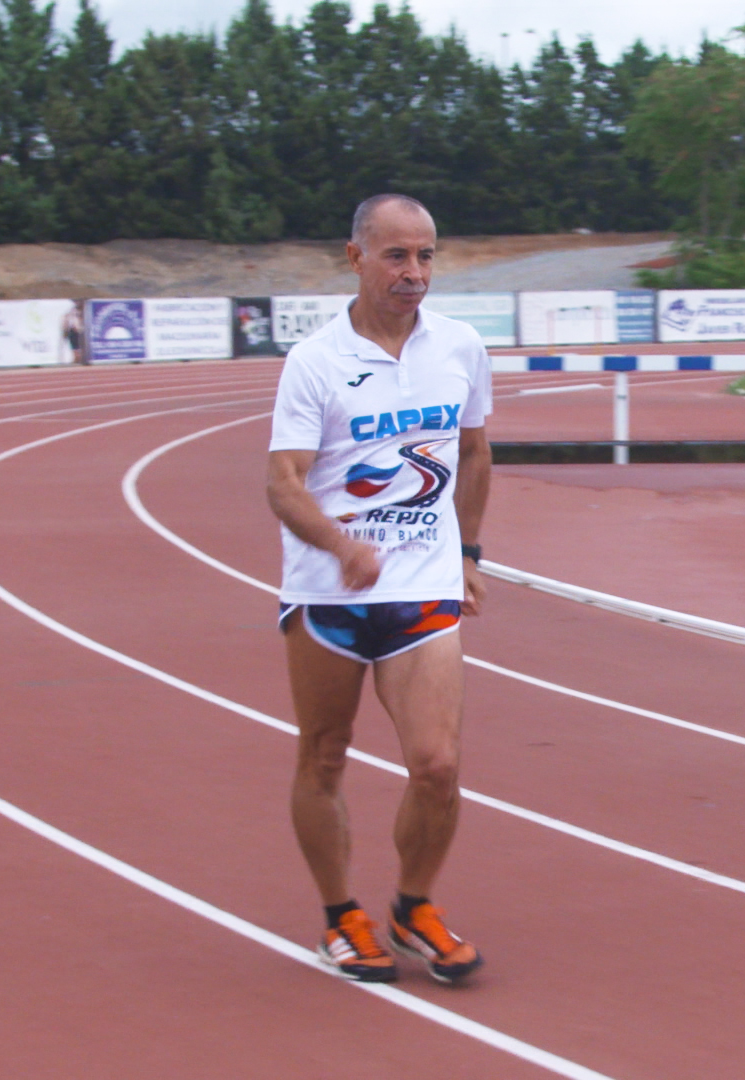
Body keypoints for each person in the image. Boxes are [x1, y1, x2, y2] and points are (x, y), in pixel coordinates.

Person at [265, 193, 493, 984]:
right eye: (397, 256)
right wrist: (340, 544)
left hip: (424, 588)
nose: (415, 273)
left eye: (427, 255)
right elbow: (284, 483)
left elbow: (473, 454)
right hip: (328, 596)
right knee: (324, 756)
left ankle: (413, 905)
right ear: (355, 257)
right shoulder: (315, 361)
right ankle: (340, 915)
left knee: (437, 766)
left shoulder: (460, 347)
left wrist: (467, 552)